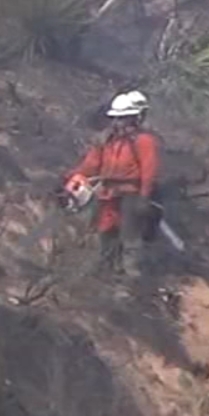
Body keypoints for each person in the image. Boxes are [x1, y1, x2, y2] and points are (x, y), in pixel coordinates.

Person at [63, 90, 162, 278]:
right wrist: (72, 176)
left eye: (123, 118)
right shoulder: (106, 140)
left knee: (130, 235)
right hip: (108, 192)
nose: (118, 122)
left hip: (131, 192)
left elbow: (149, 171)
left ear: (134, 118)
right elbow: (92, 164)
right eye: (116, 118)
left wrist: (144, 197)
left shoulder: (144, 141)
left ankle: (131, 274)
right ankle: (105, 269)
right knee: (106, 230)